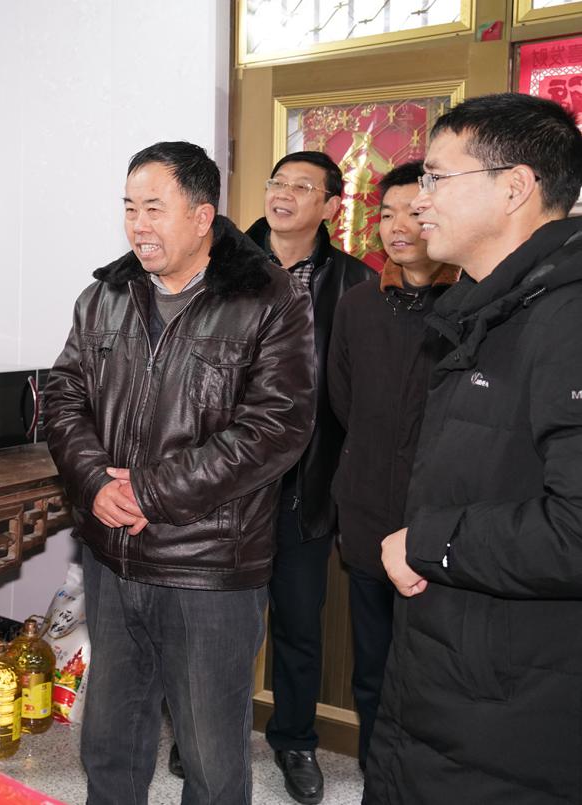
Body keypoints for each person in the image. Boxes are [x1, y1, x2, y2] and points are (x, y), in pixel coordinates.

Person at [44, 141, 316, 805]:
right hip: (113, 554)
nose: (138, 225)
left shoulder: (269, 298)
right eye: (129, 208)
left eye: (153, 208)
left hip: (207, 565)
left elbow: (275, 428)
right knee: (109, 742)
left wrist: (149, 491)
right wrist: (94, 481)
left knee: (209, 756)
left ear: (201, 216)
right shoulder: (105, 296)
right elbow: (62, 396)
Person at [369, 93, 582, 802]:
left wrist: (429, 542)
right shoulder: (491, 308)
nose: (418, 199)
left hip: (514, 712)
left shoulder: (567, 318)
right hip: (453, 683)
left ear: (514, 186)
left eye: (436, 177)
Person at [242, 150, 371, 805]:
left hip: (305, 485)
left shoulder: (356, 283)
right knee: (219, 625)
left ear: (329, 205)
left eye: (301, 185)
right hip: (227, 487)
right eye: (276, 182)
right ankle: (207, 729)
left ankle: (294, 740)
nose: (283, 194)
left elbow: (361, 397)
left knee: (298, 625)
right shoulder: (223, 265)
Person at [325, 161, 459, 769]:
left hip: (442, 527)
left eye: (414, 211)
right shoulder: (357, 305)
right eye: (386, 214)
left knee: (438, 674)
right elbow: (344, 402)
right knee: (372, 666)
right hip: (368, 514)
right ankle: (375, 775)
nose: (398, 226)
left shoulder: (473, 303)